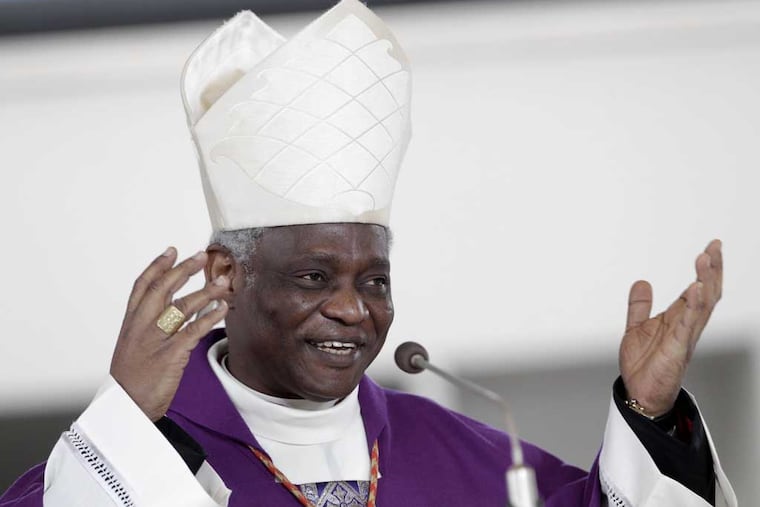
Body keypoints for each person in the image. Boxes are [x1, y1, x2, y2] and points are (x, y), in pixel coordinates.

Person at [0, 1, 737, 506]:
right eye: (314, 276)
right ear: (227, 274)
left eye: (375, 280)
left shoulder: (454, 451)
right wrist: (127, 420)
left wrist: (648, 410)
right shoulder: (137, 454)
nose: (354, 309)